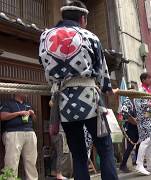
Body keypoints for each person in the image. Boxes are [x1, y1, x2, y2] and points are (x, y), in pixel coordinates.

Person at [38, 1, 118, 179]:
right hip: (89, 98)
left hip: (64, 101)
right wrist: (107, 88)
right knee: (105, 149)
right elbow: (102, 69)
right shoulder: (89, 36)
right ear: (83, 18)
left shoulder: (45, 37)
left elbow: (42, 64)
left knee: (78, 154)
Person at [1, 94, 38, 179]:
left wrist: (32, 114)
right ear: (17, 91)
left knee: (31, 162)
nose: (26, 93)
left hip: (30, 132)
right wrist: (19, 113)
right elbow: (2, 116)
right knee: (11, 161)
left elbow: (35, 120)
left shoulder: (28, 104)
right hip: (13, 133)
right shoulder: (8, 103)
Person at [119, 87, 140, 173]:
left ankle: (138, 162)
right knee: (130, 147)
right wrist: (134, 121)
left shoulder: (134, 101)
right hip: (130, 126)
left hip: (136, 126)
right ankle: (123, 165)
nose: (136, 94)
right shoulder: (127, 101)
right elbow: (125, 113)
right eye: (134, 93)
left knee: (139, 143)